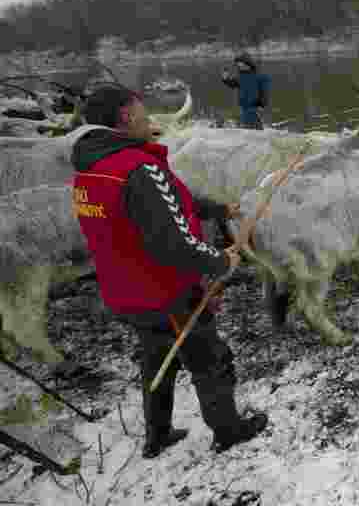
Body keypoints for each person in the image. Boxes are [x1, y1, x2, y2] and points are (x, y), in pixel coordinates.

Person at [71, 86, 269, 459]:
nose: (150, 121)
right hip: (168, 292)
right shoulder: (138, 167)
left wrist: (214, 209)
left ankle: (157, 435)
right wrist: (221, 260)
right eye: (143, 114)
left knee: (158, 359)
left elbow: (159, 208)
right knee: (210, 360)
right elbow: (173, 243)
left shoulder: (91, 171)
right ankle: (229, 431)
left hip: (124, 292)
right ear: (126, 117)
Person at [221, 52, 271, 129]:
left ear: (247, 63)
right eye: (237, 63)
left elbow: (264, 92)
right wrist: (225, 79)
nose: (238, 65)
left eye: (240, 63)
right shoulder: (241, 75)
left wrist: (261, 105)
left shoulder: (260, 76)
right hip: (243, 107)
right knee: (245, 127)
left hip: (254, 107)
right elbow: (233, 84)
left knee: (255, 128)